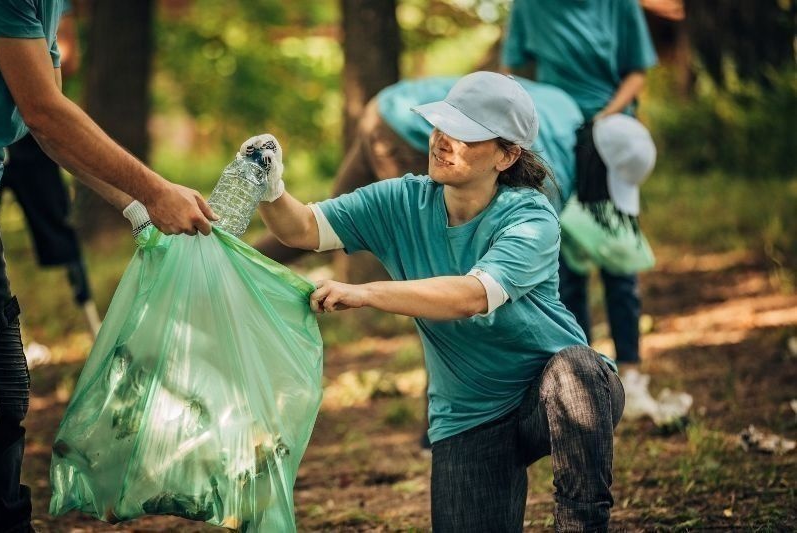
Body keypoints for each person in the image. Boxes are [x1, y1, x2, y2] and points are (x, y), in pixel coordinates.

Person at [250, 72, 625, 531]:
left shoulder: (531, 217)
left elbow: (471, 296)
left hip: (551, 396)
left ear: (507, 155)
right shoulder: (402, 201)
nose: (442, 142)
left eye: (464, 134)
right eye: (440, 126)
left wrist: (368, 293)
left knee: (579, 369)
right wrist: (270, 188)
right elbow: (302, 229)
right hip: (468, 415)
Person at [0, 1, 216, 531]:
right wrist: (156, 189)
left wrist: (139, 208)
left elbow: (47, 128)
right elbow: (42, 110)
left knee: (3, 392)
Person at [501, 0, 658, 372]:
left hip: (608, 140)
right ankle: (582, 369)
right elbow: (512, 71)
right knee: (564, 263)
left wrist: (604, 118)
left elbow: (636, 73)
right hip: (552, 141)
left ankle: (631, 372)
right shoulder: (529, 7)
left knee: (616, 257)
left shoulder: (620, 6)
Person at [0, 3, 101, 334]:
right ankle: (5, 335)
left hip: (33, 139)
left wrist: (29, 59)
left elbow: (68, 59)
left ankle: (92, 326)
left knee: (60, 228)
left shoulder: (57, 6)